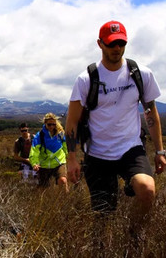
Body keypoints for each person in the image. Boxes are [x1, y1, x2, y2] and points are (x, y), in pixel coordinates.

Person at [65, 20, 166, 215]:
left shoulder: (141, 74)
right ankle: (106, 244)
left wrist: (160, 151)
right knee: (104, 215)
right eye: (111, 43)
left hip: (131, 148)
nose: (117, 48)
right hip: (98, 153)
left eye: (121, 43)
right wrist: (72, 159)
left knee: (147, 189)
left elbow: (151, 112)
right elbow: (72, 122)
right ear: (100, 44)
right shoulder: (86, 79)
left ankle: (136, 237)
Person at [29, 113, 68, 192]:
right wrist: (34, 163)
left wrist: (70, 158)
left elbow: (65, 147)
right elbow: (34, 151)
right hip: (44, 164)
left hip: (59, 162)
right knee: (42, 189)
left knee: (63, 181)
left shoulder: (60, 134)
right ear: (45, 123)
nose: (51, 127)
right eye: (49, 124)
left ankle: (66, 201)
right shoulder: (39, 136)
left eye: (53, 124)